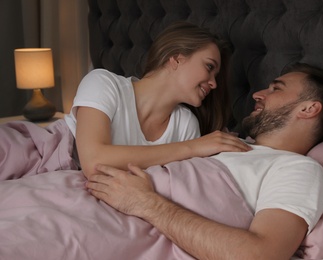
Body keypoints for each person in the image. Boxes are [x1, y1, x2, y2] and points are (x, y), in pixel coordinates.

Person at [86, 63, 323, 259]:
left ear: (308, 109)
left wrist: (148, 204)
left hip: (109, 223)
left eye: (276, 88)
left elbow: (260, 254)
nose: (258, 94)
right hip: (89, 196)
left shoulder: (300, 169)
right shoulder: (221, 143)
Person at [0, 21, 250, 181]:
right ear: (176, 59)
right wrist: (194, 147)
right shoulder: (104, 83)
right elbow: (94, 161)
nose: (214, 83)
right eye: (209, 67)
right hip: (28, 151)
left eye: (216, 75)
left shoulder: (185, 126)